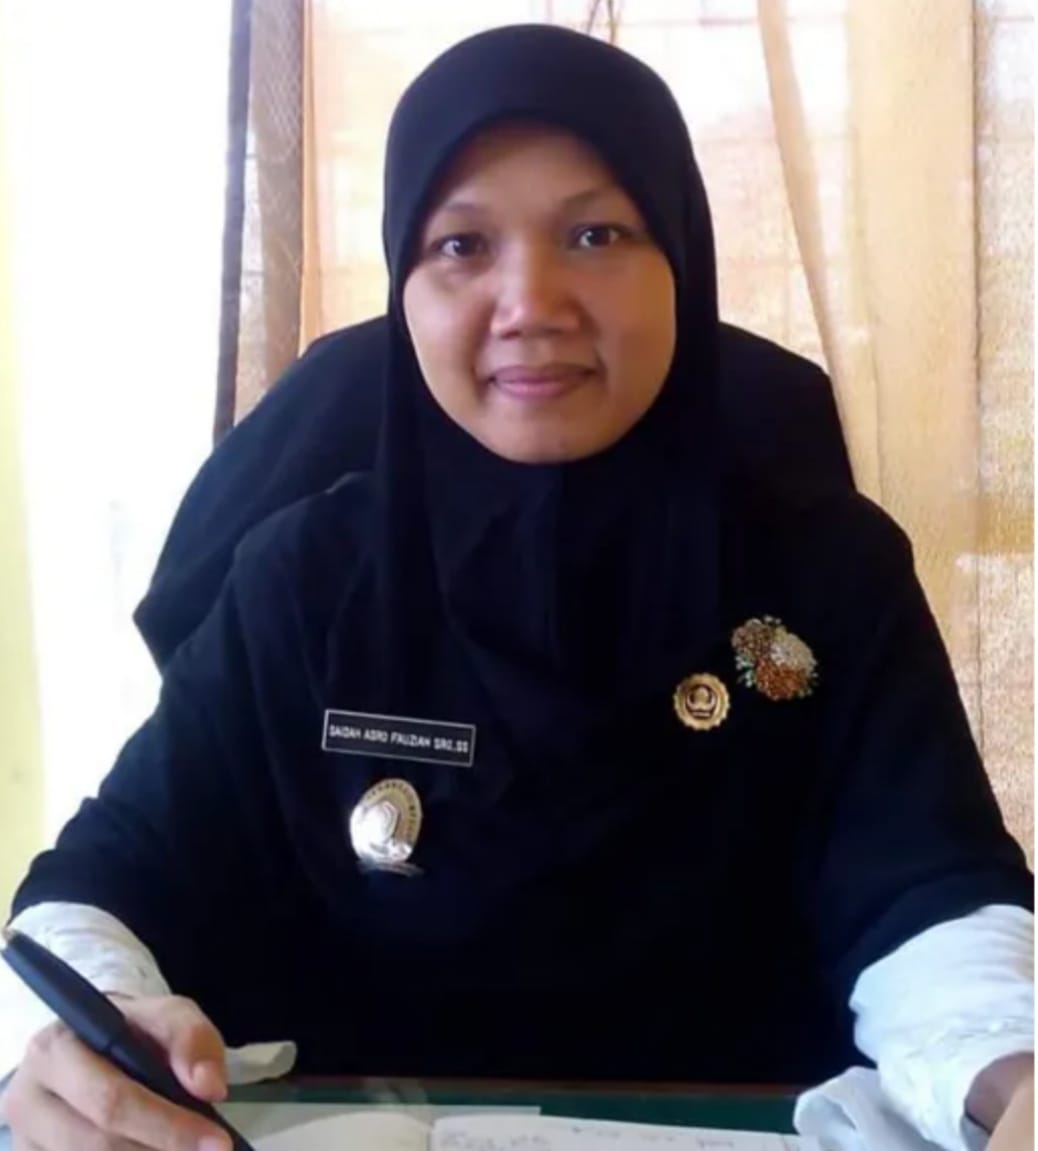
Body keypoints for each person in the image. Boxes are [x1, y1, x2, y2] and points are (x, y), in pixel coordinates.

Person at [1, 23, 1033, 1151]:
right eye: (461, 245)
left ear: (681, 260)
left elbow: (927, 899)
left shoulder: (828, 570)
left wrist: (1004, 1065)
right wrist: (96, 1035)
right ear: (404, 288)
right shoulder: (303, 578)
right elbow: (105, 879)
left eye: (596, 233)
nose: (531, 300)